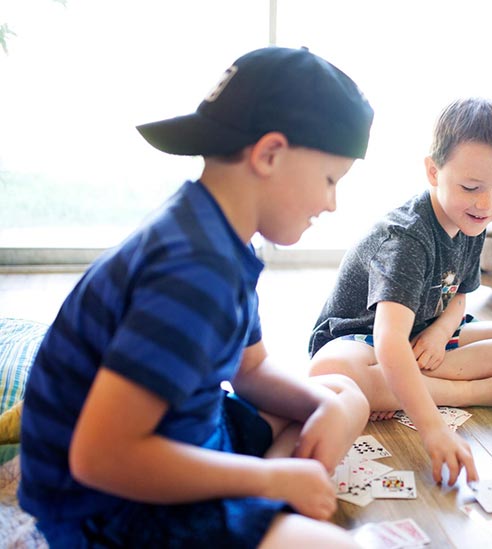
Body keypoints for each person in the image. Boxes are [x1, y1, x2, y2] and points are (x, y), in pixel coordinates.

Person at [18, 46, 375, 548]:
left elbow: (249, 371)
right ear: (270, 154)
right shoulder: (194, 269)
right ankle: (261, 506)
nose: (331, 203)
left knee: (342, 397)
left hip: (185, 437)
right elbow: (100, 459)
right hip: (109, 508)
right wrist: (269, 480)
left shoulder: (217, 232)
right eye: (330, 179)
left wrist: (325, 411)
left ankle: (258, 508)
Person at [308, 97, 492, 486]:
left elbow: (459, 297)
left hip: (423, 333)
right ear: (433, 171)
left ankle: (403, 387)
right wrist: (434, 428)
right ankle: (467, 391)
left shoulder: (473, 220)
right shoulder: (407, 237)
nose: (486, 204)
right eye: (472, 187)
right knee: (331, 371)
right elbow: (389, 341)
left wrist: (440, 333)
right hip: (362, 338)